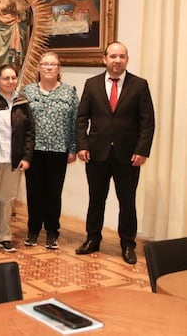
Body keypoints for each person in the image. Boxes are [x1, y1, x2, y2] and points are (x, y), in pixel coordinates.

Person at [75, 42, 155, 265]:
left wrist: (142, 150)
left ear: (127, 59)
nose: (117, 60)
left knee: (127, 201)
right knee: (96, 199)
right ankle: (92, 239)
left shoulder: (139, 85)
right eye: (113, 56)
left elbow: (147, 122)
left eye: (121, 56)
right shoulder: (92, 84)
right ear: (105, 59)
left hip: (128, 156)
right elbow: (82, 118)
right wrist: (82, 145)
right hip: (96, 153)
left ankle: (128, 244)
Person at [21, 52, 78, 249]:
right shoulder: (27, 91)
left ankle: (52, 232)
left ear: (59, 69)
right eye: (45, 64)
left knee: (54, 193)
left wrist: (73, 148)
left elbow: (74, 122)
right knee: (34, 191)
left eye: (53, 64)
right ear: (39, 68)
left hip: (59, 149)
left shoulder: (69, 92)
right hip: (33, 150)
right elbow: (22, 123)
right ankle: (33, 230)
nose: (48, 68)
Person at [0, 64, 34, 253]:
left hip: (13, 160)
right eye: (6, 78)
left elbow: (29, 132)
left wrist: (27, 157)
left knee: (7, 199)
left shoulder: (22, 102)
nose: (10, 82)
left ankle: (4, 236)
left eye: (13, 78)